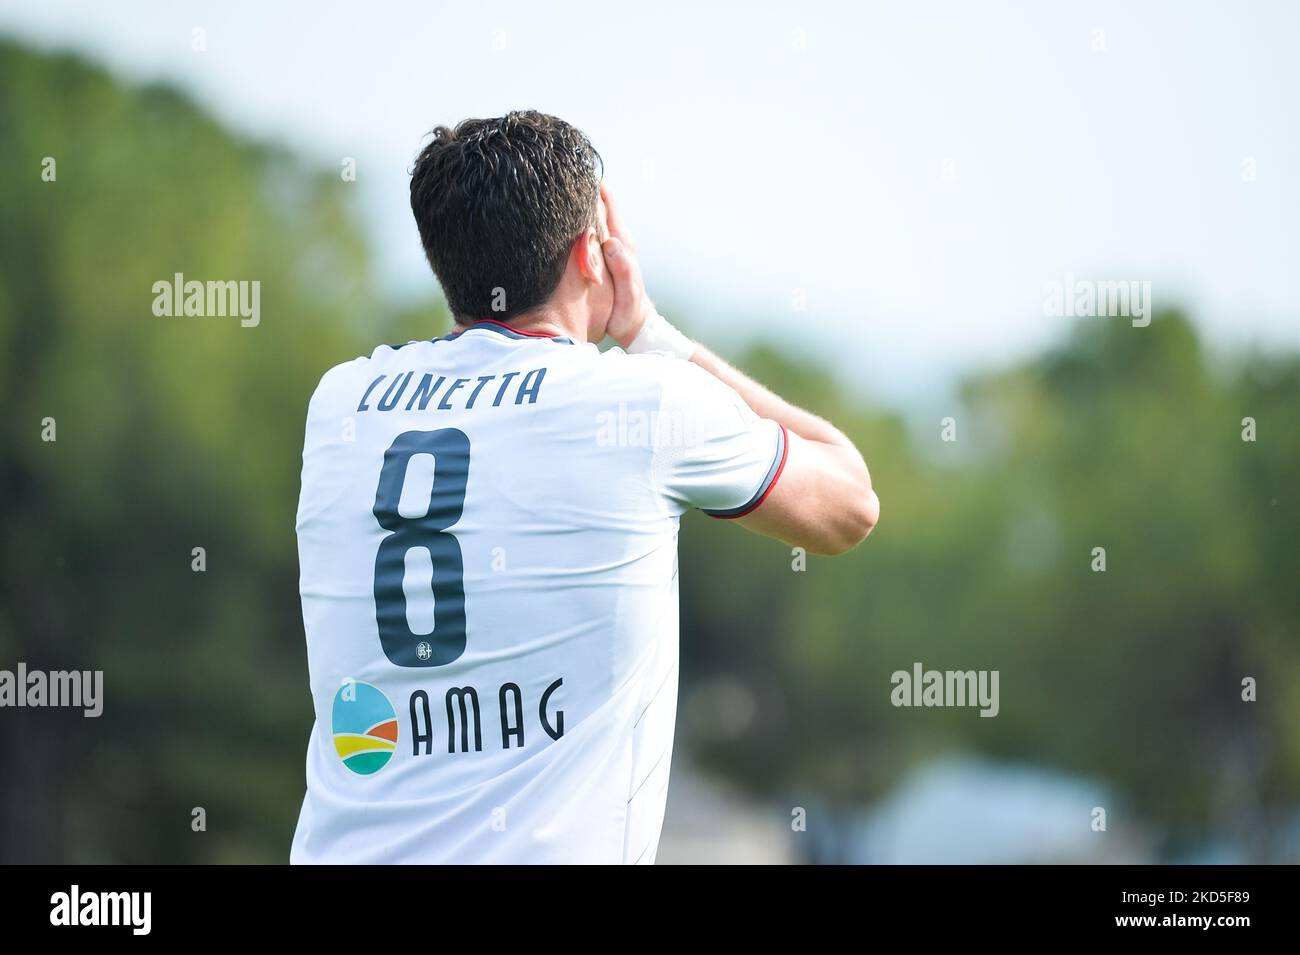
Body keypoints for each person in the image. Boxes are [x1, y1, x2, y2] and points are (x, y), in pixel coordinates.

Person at [291, 111, 879, 864]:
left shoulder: (341, 403)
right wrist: (652, 333)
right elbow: (850, 502)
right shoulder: (647, 403)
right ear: (591, 253)